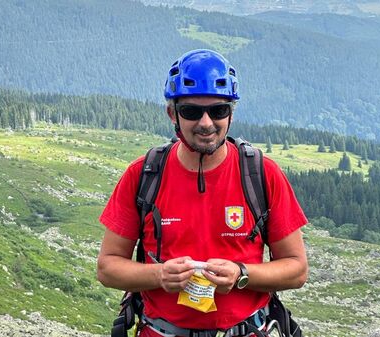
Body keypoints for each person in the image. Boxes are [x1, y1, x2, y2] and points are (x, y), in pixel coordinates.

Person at [97, 49, 308, 337]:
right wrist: (159, 275)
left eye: (218, 110)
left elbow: (296, 270)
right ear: (173, 113)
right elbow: (108, 268)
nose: (206, 123)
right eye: (192, 111)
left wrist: (241, 275)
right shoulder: (144, 174)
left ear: (231, 113)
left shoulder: (262, 174)